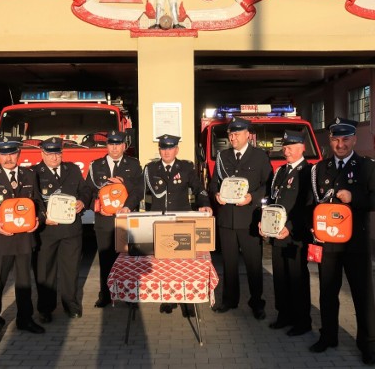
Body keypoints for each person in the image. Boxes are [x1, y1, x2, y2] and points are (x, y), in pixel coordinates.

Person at [309, 117, 375, 366]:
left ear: (354, 139)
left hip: (355, 243)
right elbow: (313, 204)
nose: (340, 144)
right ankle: (328, 336)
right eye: (335, 139)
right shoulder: (320, 169)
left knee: (362, 294)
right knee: (327, 293)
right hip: (328, 243)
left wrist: (353, 196)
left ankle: (368, 345)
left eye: (345, 139)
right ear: (329, 140)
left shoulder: (368, 167)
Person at [0, 137, 46, 346]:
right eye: (4, 154)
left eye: (12, 153)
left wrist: (38, 220)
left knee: (24, 283)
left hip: (24, 239)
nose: (9, 158)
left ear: (19, 154)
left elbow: (38, 203)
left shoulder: (29, 174)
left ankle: (24, 319)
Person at [209, 117, 273, 320]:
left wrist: (252, 198)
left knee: (254, 264)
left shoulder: (260, 157)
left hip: (249, 219)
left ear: (248, 135)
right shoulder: (222, 156)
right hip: (227, 219)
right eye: (230, 134)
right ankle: (230, 300)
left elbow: (268, 186)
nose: (233, 137)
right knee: (229, 263)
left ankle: (257, 303)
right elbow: (213, 184)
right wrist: (216, 195)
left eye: (237, 133)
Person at [143, 134, 213, 314]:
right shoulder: (150, 168)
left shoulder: (186, 167)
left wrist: (205, 204)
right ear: (159, 150)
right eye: (163, 148)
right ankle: (168, 299)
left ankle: (187, 301)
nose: (166, 151)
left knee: (183, 262)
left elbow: (199, 188)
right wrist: (128, 206)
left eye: (170, 148)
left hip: (180, 222)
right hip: (159, 223)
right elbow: (138, 191)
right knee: (164, 264)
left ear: (176, 149)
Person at [32, 137, 91, 324]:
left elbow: (86, 190)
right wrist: (42, 217)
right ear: (42, 154)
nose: (54, 157)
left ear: (61, 153)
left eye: (57, 153)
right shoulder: (34, 173)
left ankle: (71, 305)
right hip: (46, 231)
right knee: (44, 271)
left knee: (70, 270)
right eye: (49, 153)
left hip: (71, 230)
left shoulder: (72, 170)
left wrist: (82, 201)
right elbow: (32, 200)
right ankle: (45, 309)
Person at [260, 130, 313, 336]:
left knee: (297, 279)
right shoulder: (281, 171)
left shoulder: (308, 172)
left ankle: (302, 322)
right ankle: (284, 316)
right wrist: (264, 222)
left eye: (290, 147)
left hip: (294, 236)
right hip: (276, 234)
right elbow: (272, 201)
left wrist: (289, 227)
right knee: (280, 278)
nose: (286, 151)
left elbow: (306, 207)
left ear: (302, 148)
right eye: (284, 147)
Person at [87, 130, 143, 308]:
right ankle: (106, 294)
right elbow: (88, 190)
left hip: (125, 219)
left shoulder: (133, 165)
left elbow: (138, 190)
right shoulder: (95, 165)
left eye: (118, 144)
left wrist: (127, 205)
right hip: (103, 220)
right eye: (111, 144)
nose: (114, 148)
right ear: (107, 146)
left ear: (124, 146)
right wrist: (96, 207)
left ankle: (128, 296)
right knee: (105, 259)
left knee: (127, 259)